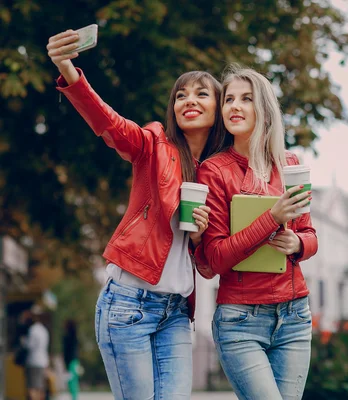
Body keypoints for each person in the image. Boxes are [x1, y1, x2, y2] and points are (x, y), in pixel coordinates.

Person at [46, 29, 230, 399]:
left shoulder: (217, 171)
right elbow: (110, 125)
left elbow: (211, 263)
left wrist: (199, 239)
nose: (188, 100)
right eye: (181, 95)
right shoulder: (153, 143)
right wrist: (68, 70)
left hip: (177, 312)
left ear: (219, 110)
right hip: (128, 304)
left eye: (200, 93)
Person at [195, 65, 318, 400]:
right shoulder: (214, 171)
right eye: (229, 99)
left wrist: (297, 244)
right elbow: (216, 258)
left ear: (263, 107)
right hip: (240, 320)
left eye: (246, 99)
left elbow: (310, 234)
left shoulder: (290, 163)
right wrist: (272, 217)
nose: (235, 106)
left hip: (294, 315)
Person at [22, 305, 50, 400]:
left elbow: (30, 346)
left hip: (33, 361)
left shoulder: (33, 330)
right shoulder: (44, 330)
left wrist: (23, 341)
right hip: (43, 361)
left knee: (32, 387)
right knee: (40, 387)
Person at [62, 319, 79, 400]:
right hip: (75, 361)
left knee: (71, 381)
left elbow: (66, 352)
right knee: (74, 381)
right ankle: (74, 397)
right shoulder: (74, 336)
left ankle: (74, 398)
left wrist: (65, 362)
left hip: (70, 362)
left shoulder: (67, 337)